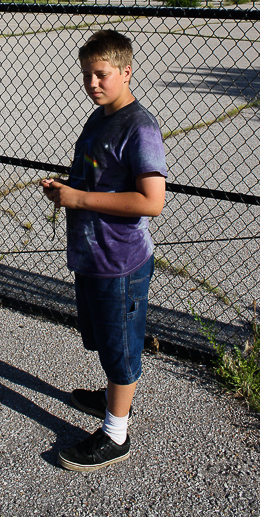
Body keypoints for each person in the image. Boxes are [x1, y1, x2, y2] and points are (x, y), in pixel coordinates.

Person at [41, 29, 167, 472]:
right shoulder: (99, 118)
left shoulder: (140, 126)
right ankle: (114, 397)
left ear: (126, 71)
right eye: (87, 75)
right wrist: (67, 188)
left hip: (121, 262)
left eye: (102, 74)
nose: (92, 83)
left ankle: (117, 434)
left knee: (122, 347)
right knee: (104, 339)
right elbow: (96, 177)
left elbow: (152, 201)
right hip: (92, 255)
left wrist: (79, 200)